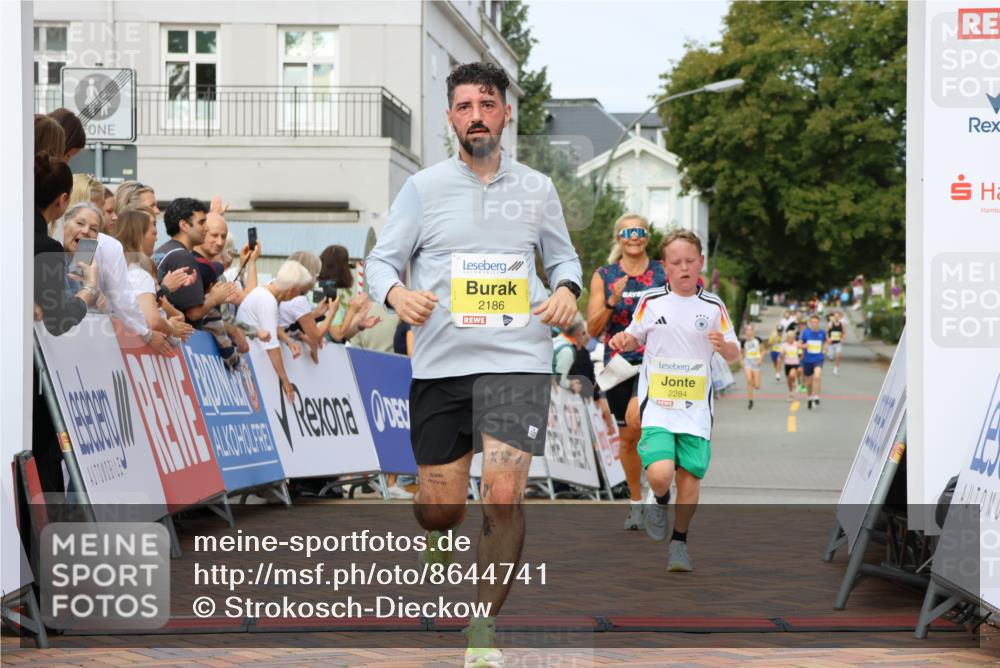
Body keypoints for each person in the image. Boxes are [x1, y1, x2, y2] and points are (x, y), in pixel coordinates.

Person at [364, 61, 580, 668]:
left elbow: (565, 262)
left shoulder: (538, 189)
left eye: (487, 104)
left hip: (518, 360)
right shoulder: (423, 188)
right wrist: (397, 295)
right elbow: (381, 262)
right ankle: (438, 534)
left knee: (505, 495)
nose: (477, 116)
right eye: (464, 106)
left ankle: (480, 626)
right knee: (442, 507)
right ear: (450, 118)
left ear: (506, 113)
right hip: (442, 366)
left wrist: (564, 289)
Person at [609, 229, 739, 573]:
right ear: (664, 266)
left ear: (701, 263)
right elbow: (634, 337)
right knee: (662, 474)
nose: (684, 268)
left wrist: (723, 346)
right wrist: (623, 339)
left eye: (690, 261)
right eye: (676, 262)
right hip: (660, 406)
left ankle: (679, 543)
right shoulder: (651, 300)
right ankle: (660, 500)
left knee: (690, 478)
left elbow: (734, 351)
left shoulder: (714, 306)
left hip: (696, 410)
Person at [586, 213, 666, 530]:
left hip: (656, 361)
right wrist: (611, 300)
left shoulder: (662, 272)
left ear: (647, 236)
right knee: (628, 437)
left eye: (640, 231)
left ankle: (658, 492)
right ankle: (636, 502)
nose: (634, 237)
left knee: (650, 429)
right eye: (627, 232)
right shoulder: (604, 275)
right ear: (618, 237)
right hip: (618, 364)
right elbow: (592, 327)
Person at [33, 152, 99, 495]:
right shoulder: (45, 246)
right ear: (62, 202)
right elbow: (57, 320)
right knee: (43, 453)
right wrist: (87, 292)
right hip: (30, 383)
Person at [110, 207, 195, 341]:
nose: (156, 239)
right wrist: (171, 327)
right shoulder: (138, 274)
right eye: (153, 233)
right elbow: (153, 320)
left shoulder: (117, 270)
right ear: (139, 237)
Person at [236, 260, 314, 403]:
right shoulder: (268, 301)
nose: (298, 296)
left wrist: (288, 341)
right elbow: (272, 346)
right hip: (250, 360)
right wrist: (285, 380)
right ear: (291, 290)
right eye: (299, 292)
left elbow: (270, 325)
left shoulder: (264, 293)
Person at [154, 197, 239, 327]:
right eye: (201, 223)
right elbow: (193, 313)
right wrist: (214, 298)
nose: (206, 228)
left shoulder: (163, 250)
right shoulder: (182, 256)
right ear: (184, 225)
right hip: (181, 340)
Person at [799, 315, 828, 410]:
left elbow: (826, 342)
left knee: (817, 376)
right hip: (807, 360)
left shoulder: (822, 333)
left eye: (816, 322)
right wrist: (804, 346)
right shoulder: (805, 333)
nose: (814, 324)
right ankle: (809, 398)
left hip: (818, 358)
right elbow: (799, 344)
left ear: (818, 323)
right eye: (813, 322)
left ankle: (816, 397)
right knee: (809, 383)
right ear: (810, 323)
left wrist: (825, 348)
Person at [740, 324, 763, 410]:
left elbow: (763, 350)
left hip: (756, 362)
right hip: (747, 362)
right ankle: (750, 400)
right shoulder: (743, 342)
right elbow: (741, 353)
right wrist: (741, 361)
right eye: (747, 330)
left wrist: (760, 358)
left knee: (757, 386)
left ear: (753, 331)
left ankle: (755, 380)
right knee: (749, 381)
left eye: (750, 330)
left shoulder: (758, 340)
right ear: (745, 332)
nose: (748, 332)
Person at [778, 329, 802, 401]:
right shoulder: (784, 345)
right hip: (787, 364)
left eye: (792, 338)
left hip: (795, 364)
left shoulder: (797, 344)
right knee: (788, 381)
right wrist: (782, 354)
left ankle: (796, 382)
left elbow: (801, 354)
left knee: (792, 375)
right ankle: (790, 393)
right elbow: (781, 356)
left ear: (794, 338)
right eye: (789, 338)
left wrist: (800, 355)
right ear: (787, 338)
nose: (790, 339)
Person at [827, 310, 846, 375]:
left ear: (840, 317)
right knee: (831, 357)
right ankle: (830, 355)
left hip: (838, 343)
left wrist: (843, 338)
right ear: (833, 317)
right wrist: (828, 339)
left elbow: (844, 333)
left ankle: (835, 369)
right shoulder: (830, 324)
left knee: (838, 356)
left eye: (838, 316)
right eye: (835, 316)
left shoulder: (842, 324)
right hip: (831, 343)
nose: (837, 317)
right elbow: (826, 332)